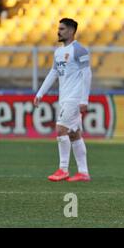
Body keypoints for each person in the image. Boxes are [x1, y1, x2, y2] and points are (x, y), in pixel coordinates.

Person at [33, 18, 92, 182]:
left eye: (62, 29)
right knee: (74, 134)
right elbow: (53, 73)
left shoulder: (79, 50)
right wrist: (40, 93)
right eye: (58, 28)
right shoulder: (58, 52)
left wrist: (84, 100)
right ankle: (83, 172)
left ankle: (63, 169)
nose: (58, 31)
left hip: (74, 98)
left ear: (72, 31)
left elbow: (87, 74)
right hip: (64, 97)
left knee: (60, 130)